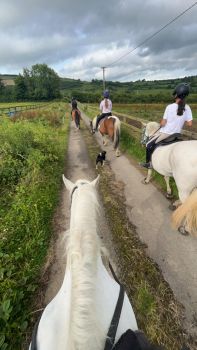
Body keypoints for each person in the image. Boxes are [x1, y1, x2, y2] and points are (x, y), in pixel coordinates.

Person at [140, 83, 193, 169]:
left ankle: (149, 164)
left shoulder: (170, 107)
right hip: (177, 134)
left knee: (148, 144)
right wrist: (181, 119)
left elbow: (163, 123)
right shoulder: (187, 107)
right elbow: (189, 124)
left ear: (176, 94)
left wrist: (161, 124)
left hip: (166, 133)